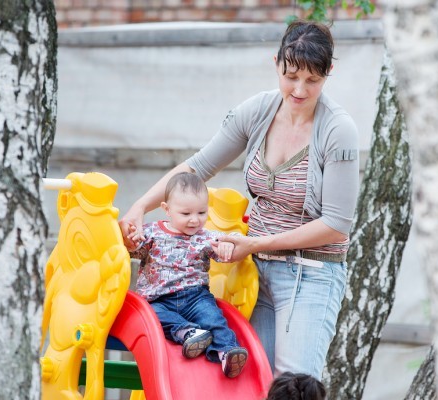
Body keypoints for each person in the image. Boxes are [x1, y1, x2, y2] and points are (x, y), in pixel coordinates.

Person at [119, 20, 359, 380]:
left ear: (328, 74)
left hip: (310, 274)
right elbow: (198, 167)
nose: (299, 89)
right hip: (255, 273)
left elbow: (336, 225)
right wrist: (140, 206)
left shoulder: (338, 130)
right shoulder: (257, 111)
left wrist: (256, 244)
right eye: (291, 75)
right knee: (251, 381)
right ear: (276, 63)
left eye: (312, 80)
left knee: (292, 385)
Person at [122, 172, 248, 378]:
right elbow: (133, 251)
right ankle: (189, 332)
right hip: (158, 299)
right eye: (186, 213)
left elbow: (235, 238)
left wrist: (229, 244)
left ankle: (227, 352)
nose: (194, 220)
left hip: (195, 297)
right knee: (151, 317)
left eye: (201, 212)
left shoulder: (206, 237)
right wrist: (132, 241)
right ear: (167, 209)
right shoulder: (152, 232)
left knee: (213, 318)